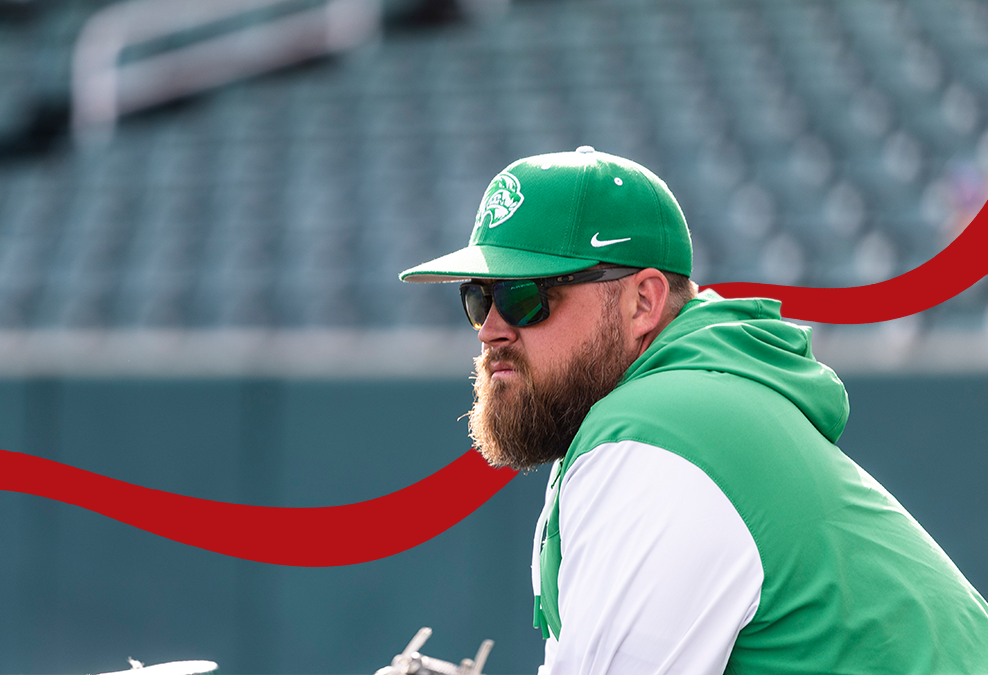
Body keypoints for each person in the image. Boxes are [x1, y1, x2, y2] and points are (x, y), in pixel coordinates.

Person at [398, 147, 988, 674]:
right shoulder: (690, 411)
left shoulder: (659, 437)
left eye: (524, 297)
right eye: (478, 298)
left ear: (643, 302)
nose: (491, 329)